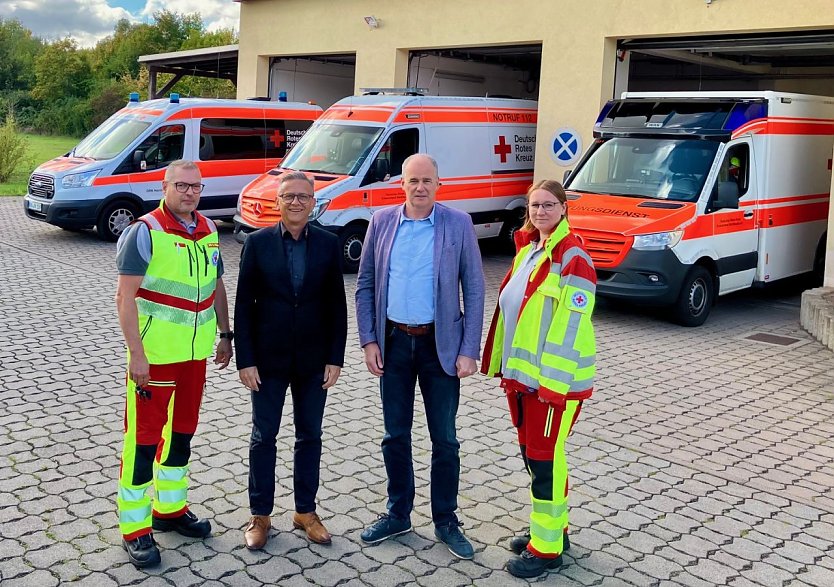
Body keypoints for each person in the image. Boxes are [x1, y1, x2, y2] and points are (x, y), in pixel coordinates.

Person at [355, 153, 485, 560]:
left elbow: (476, 289)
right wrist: (369, 340)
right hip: (393, 343)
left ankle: (446, 519)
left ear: (438, 184)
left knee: (444, 438)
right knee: (395, 435)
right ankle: (398, 513)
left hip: (439, 347)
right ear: (402, 184)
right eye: (413, 180)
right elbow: (365, 286)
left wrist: (468, 349)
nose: (420, 187)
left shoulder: (458, 224)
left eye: (427, 180)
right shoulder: (381, 222)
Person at [114, 159, 233, 569]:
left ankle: (170, 510)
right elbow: (124, 298)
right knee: (143, 443)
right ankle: (135, 528)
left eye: (196, 187)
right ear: (165, 186)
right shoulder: (145, 231)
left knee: (182, 436)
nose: (189, 193)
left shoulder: (210, 230)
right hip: (155, 360)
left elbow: (216, 283)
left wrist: (225, 334)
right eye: (181, 186)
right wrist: (137, 354)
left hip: (195, 357)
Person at [481, 179, 596, 579]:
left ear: (564, 208)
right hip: (525, 380)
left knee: (543, 461)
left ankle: (546, 550)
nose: (541, 212)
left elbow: (570, 329)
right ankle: (553, 530)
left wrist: (553, 386)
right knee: (542, 457)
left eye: (549, 205)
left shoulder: (572, 257)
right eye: (535, 205)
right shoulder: (531, 249)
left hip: (552, 385)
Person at [235, 171, 347, 550]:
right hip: (266, 361)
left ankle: (304, 512)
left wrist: (336, 356)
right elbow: (243, 306)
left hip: (314, 360)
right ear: (277, 201)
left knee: (310, 435)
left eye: (303, 196)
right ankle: (260, 515)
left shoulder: (329, 244)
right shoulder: (257, 243)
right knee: (264, 436)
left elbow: (336, 304)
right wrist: (245, 359)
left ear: (313, 202)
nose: (296, 202)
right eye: (288, 196)